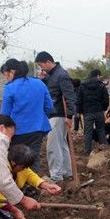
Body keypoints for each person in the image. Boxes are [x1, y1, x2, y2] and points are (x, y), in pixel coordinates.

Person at [0, 59, 53, 174]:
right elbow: (49, 106)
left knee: (16, 160)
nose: (6, 78)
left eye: (6, 74)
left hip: (17, 131)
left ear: (12, 72)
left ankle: (17, 187)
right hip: (37, 129)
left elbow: (5, 115)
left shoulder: (10, 87)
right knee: (33, 158)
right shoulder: (39, 83)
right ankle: (34, 187)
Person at [35, 51, 76, 183]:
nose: (41, 68)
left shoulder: (61, 75)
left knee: (53, 146)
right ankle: (67, 172)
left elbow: (69, 96)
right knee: (61, 144)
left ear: (48, 62)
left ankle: (56, 175)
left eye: (41, 65)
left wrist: (69, 115)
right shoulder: (52, 75)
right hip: (54, 114)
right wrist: (43, 79)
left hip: (58, 115)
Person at [77, 69, 110, 155]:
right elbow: (106, 99)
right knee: (101, 130)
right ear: (98, 75)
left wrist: (80, 111)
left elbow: (79, 100)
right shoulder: (101, 85)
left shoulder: (82, 85)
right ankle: (105, 151)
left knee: (88, 132)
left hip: (87, 112)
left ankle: (87, 152)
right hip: (99, 111)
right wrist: (103, 108)